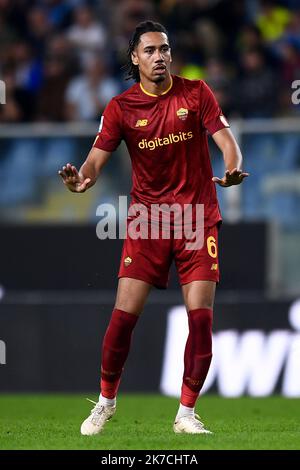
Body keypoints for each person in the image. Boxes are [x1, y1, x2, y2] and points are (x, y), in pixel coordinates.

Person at [58, 21, 248, 435]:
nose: (159, 56)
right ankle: (105, 403)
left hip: (197, 219)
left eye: (164, 49)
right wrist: (82, 180)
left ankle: (186, 414)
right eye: (150, 50)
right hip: (148, 222)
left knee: (200, 319)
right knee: (123, 318)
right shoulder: (121, 107)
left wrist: (232, 168)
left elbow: (227, 140)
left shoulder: (196, 93)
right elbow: (93, 161)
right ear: (135, 57)